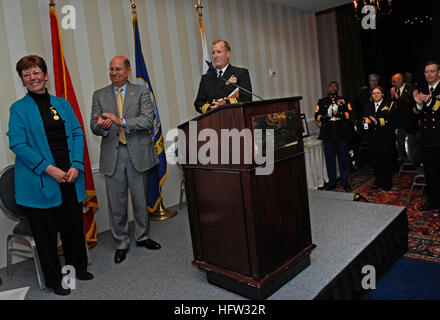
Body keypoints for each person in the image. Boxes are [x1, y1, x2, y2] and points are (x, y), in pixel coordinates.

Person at [7, 55, 93, 296]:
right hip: (40, 182)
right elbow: (18, 144)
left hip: (70, 177)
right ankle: (56, 281)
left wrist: (76, 165)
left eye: (36, 72)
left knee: (73, 228)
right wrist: (49, 168)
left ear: (45, 75)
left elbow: (77, 133)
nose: (32, 78)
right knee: (46, 236)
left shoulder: (62, 104)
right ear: (23, 81)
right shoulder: (18, 109)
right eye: (27, 75)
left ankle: (79, 268)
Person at [90, 56, 160, 264]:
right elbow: (93, 125)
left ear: (128, 71)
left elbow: (148, 119)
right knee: (116, 202)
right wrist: (101, 126)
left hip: (137, 152)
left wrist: (122, 122)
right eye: (111, 69)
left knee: (140, 199)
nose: (114, 73)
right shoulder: (99, 95)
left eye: (118, 69)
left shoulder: (141, 92)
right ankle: (121, 241)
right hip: (113, 153)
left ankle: (142, 236)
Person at [194, 39, 252, 114]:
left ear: (228, 53)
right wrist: (211, 108)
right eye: (213, 53)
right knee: (193, 125)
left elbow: (246, 99)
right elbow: (198, 102)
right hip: (214, 119)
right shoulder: (206, 78)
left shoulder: (240, 73)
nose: (215, 56)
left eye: (219, 52)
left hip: (234, 117)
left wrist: (225, 103)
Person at [412, 61, 440, 212]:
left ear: (439, 73)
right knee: (430, 173)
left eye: (432, 71)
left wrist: (430, 101)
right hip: (427, 139)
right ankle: (433, 202)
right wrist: (420, 105)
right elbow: (416, 114)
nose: (429, 74)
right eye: (426, 72)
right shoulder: (422, 89)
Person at [314, 81, 352, 191]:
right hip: (328, 134)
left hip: (341, 133)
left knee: (343, 159)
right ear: (328, 88)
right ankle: (332, 182)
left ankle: (345, 182)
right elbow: (317, 116)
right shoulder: (322, 101)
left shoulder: (344, 101)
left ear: (338, 88)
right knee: (329, 159)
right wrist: (326, 116)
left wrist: (339, 114)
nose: (333, 88)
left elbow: (349, 114)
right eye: (331, 86)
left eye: (335, 86)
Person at [362, 86, 396, 191]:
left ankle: (387, 183)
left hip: (385, 138)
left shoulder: (389, 104)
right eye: (373, 93)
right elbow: (364, 120)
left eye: (378, 93)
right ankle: (378, 181)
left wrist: (375, 121)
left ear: (382, 94)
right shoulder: (367, 106)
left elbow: (390, 120)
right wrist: (365, 123)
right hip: (372, 138)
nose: (375, 95)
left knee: (386, 161)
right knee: (375, 162)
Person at [389, 73, 417, 165]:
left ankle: (412, 162)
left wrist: (398, 97)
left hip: (409, 122)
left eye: (394, 81)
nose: (392, 84)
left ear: (400, 80)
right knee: (399, 144)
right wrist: (392, 97)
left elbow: (411, 104)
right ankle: (402, 160)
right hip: (398, 123)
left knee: (410, 144)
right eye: (392, 82)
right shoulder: (393, 90)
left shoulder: (411, 88)